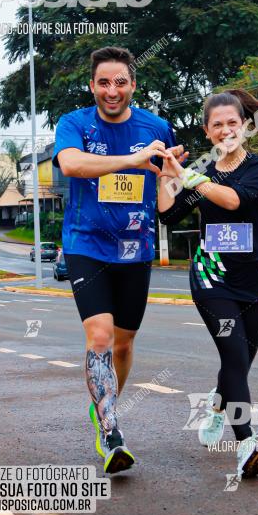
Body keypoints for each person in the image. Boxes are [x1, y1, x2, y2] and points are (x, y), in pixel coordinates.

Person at [53, 45, 186, 474]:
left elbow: (165, 203)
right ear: (92, 85)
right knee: (100, 337)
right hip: (85, 245)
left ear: (133, 85)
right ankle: (111, 430)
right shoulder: (74, 123)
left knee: (125, 344)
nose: (112, 91)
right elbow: (71, 165)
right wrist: (131, 159)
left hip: (135, 248)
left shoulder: (156, 126)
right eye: (104, 82)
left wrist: (173, 178)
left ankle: (104, 405)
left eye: (121, 82)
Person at [158, 88, 258, 479]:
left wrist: (191, 177)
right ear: (207, 131)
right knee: (233, 356)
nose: (226, 130)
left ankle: (217, 404)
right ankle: (247, 442)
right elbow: (167, 214)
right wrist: (167, 174)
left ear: (245, 126)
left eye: (233, 123)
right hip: (212, 280)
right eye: (218, 125)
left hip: (255, 282)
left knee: (240, 362)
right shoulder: (201, 171)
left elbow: (233, 201)